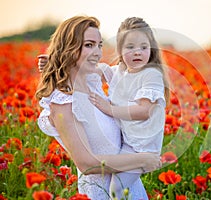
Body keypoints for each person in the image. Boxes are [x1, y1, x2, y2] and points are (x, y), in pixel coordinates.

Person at [35, 15, 161, 200]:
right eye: (89, 45)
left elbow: (105, 71)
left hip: (130, 190)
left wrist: (54, 63)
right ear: (69, 48)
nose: (97, 52)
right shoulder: (62, 103)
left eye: (99, 45)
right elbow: (86, 163)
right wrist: (143, 160)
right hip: (100, 193)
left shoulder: (92, 84)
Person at [88, 17, 170, 199]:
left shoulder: (151, 75)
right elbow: (91, 69)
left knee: (116, 189)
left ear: (151, 49)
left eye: (143, 47)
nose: (137, 52)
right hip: (127, 144)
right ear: (120, 50)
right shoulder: (120, 72)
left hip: (143, 149)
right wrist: (54, 64)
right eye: (130, 47)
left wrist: (108, 109)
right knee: (108, 180)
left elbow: (143, 111)